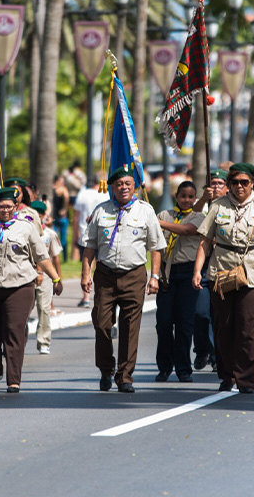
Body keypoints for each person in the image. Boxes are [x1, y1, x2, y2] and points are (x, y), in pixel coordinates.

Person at [193, 163, 254, 394]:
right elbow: (204, 241)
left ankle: (247, 379)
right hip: (221, 271)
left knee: (249, 329)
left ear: (252, 183)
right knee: (223, 327)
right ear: (229, 185)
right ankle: (227, 375)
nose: (240, 186)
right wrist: (197, 271)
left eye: (245, 182)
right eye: (235, 182)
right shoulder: (217, 206)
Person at [0, 188, 63, 393]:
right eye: (1, 206)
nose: (5, 210)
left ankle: (13, 379)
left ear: (16, 207)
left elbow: (41, 256)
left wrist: (56, 278)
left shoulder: (25, 228)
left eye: (9, 206)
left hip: (19, 287)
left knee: (13, 331)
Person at [82, 166, 166, 393]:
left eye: (128, 183)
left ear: (135, 186)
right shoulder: (101, 211)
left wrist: (155, 277)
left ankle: (125, 376)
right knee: (101, 324)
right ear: (112, 187)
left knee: (130, 328)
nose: (124, 187)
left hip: (134, 275)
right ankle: (106, 370)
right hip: (105, 275)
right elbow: (89, 246)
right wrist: (85, 274)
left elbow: (156, 247)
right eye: (119, 184)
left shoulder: (146, 211)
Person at [155, 181, 205, 383]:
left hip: (187, 271)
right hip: (166, 272)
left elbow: (186, 230)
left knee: (185, 323)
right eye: (183, 196)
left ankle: (184, 368)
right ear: (176, 196)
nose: (187, 200)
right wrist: (155, 275)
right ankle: (165, 367)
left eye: (191, 196)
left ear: (195, 198)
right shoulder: (163, 215)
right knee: (164, 322)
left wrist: (158, 224)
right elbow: (154, 244)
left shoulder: (199, 217)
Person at [192, 168, 228, 371]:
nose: (215, 187)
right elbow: (191, 217)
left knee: (220, 314)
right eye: (212, 183)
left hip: (223, 264)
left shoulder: (229, 206)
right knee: (201, 313)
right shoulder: (203, 206)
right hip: (203, 264)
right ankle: (202, 349)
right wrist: (203, 199)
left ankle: (217, 355)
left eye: (219, 183)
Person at [31, 200, 63, 355]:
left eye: (39, 213)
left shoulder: (50, 234)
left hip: (46, 276)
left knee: (43, 309)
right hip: (27, 274)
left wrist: (58, 280)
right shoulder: (25, 231)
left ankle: (43, 341)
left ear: (43, 215)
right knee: (23, 309)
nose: (37, 216)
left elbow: (55, 258)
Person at [72, 178, 108, 307]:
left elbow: (76, 217)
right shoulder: (106, 193)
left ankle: (86, 297)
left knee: (87, 263)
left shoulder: (82, 194)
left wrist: (75, 235)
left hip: (85, 232)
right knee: (101, 265)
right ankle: (101, 294)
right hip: (103, 234)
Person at [51, 175, 71, 262]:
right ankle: (63, 258)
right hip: (59, 217)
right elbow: (67, 197)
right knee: (61, 239)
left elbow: (66, 198)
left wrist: (64, 209)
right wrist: (65, 209)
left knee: (58, 239)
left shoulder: (55, 189)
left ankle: (59, 258)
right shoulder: (61, 189)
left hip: (57, 217)